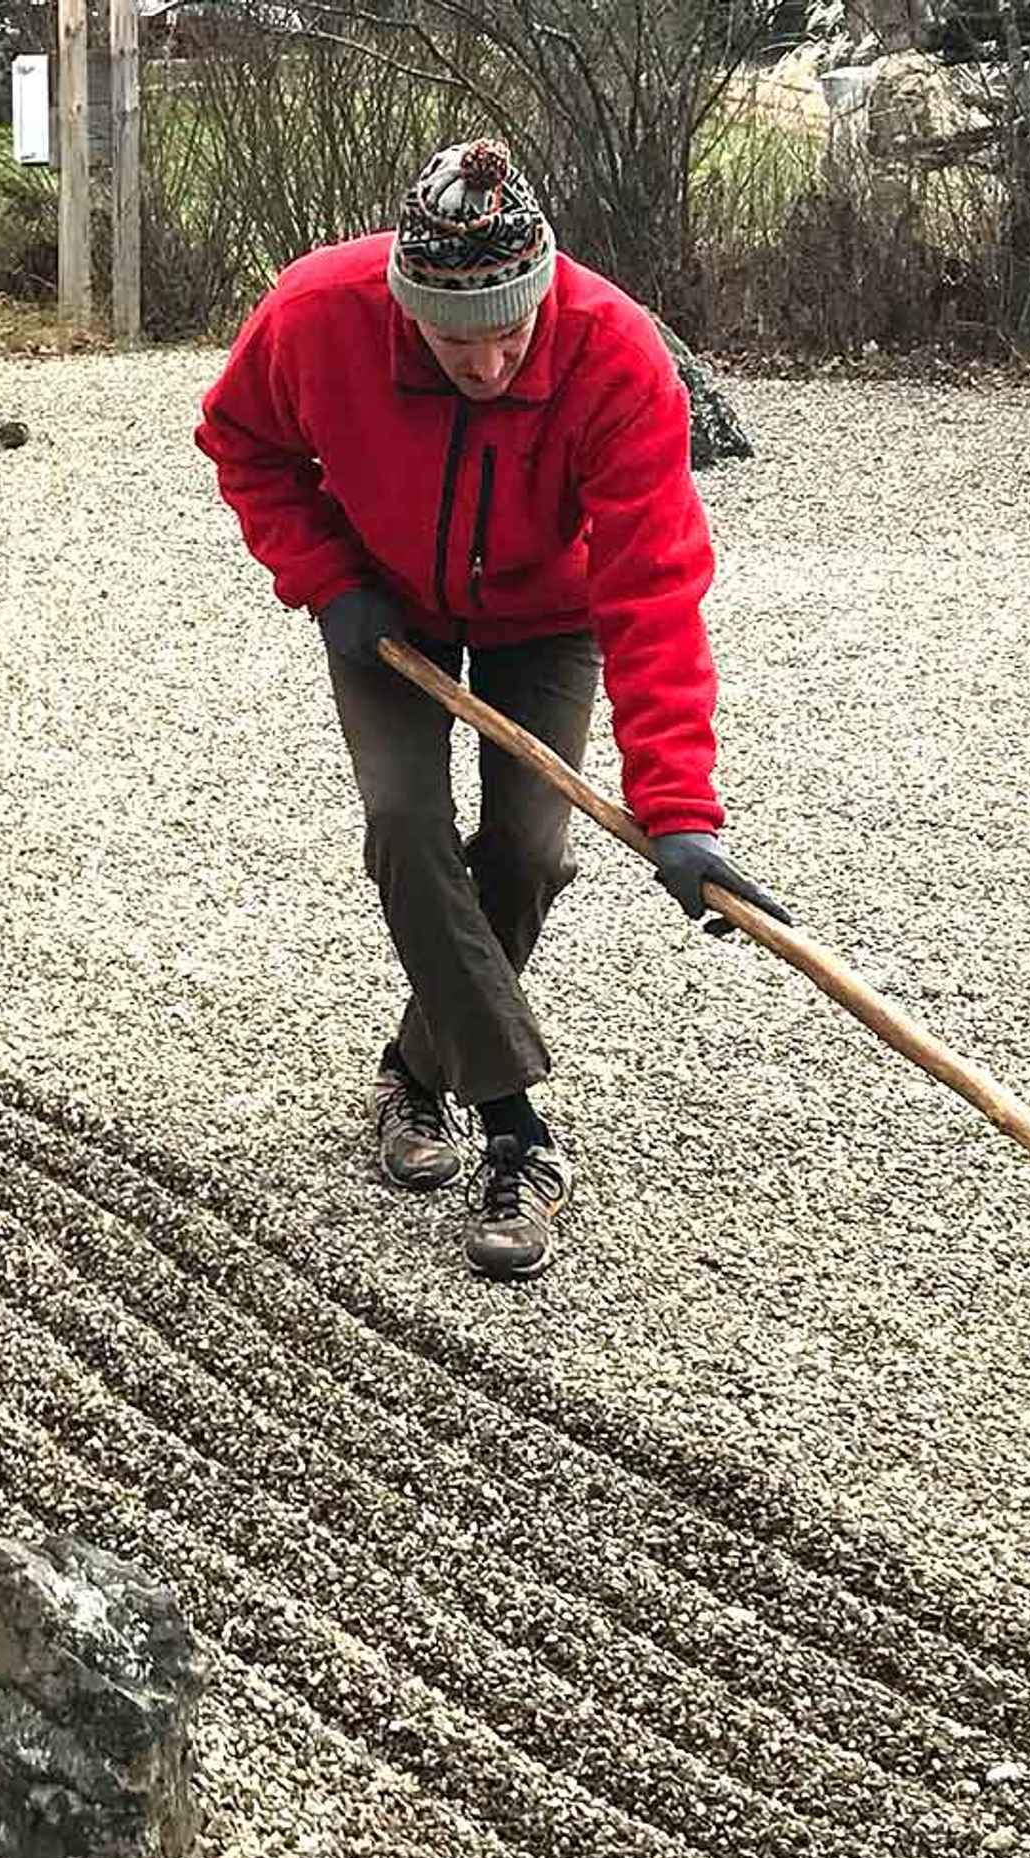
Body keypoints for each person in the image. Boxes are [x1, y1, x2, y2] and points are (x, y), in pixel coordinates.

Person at [195, 135, 780, 1281]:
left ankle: (418, 1073)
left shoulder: (616, 355)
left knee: (529, 846)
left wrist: (680, 811)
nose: (491, 361)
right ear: (408, 308)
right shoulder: (319, 313)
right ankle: (516, 1128)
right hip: (383, 611)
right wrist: (328, 581)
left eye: (513, 330)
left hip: (544, 615)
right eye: (459, 340)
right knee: (405, 821)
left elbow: (654, 590)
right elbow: (243, 443)